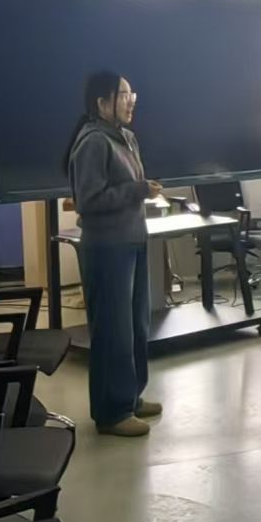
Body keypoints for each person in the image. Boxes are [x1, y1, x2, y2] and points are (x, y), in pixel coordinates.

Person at [65, 70, 162, 438]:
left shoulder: (126, 138)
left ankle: (130, 397)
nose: (130, 101)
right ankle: (111, 413)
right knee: (113, 331)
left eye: (131, 94)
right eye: (122, 95)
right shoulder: (93, 142)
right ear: (102, 103)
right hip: (107, 249)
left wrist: (141, 190)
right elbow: (89, 200)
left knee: (136, 326)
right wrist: (139, 190)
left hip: (132, 241)